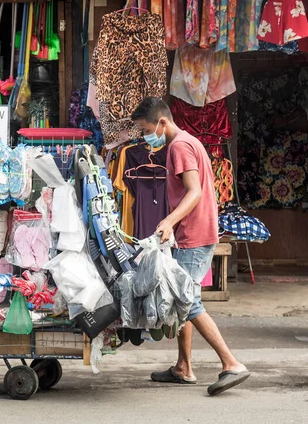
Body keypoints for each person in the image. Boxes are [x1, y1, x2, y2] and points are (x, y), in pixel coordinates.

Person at [131, 97, 250, 396]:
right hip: (197, 232)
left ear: (162, 123)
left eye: (146, 130)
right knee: (181, 299)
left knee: (188, 302)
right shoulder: (187, 142)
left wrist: (169, 221)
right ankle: (183, 368)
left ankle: (232, 363)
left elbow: (194, 192)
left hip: (194, 235)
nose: (146, 138)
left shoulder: (180, 146)